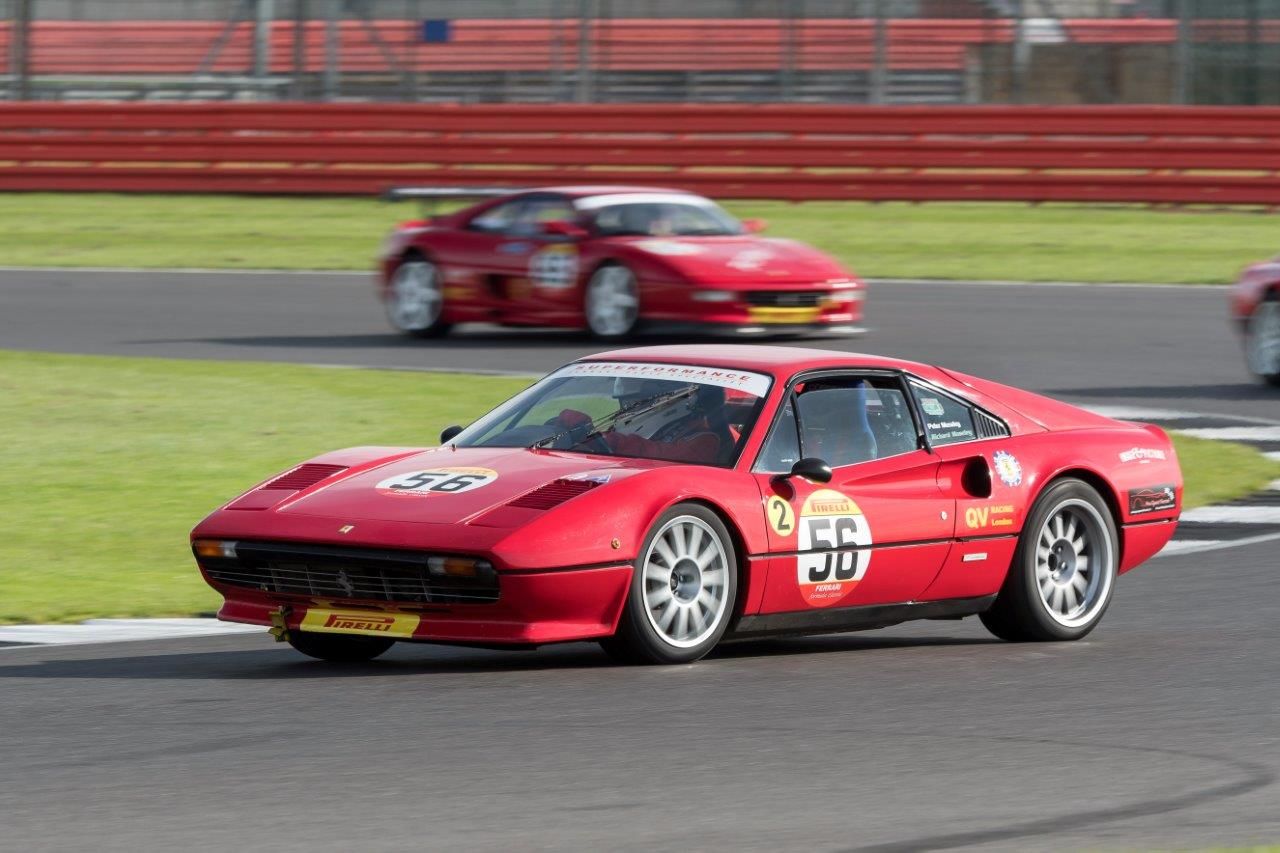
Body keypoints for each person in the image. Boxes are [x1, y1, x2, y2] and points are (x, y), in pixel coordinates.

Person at [555, 380, 732, 464]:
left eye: (635, 403)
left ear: (669, 401)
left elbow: (658, 455)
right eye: (624, 405)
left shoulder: (704, 439)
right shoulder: (624, 429)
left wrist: (610, 440)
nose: (627, 410)